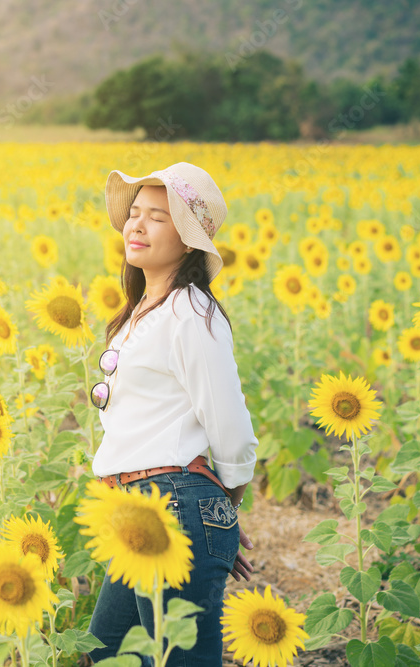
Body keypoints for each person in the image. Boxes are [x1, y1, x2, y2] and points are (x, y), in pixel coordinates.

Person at [85, 162, 259, 667]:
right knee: (107, 653)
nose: (136, 226)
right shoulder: (143, 311)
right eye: (134, 213)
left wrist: (219, 511)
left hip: (175, 501)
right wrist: (214, 521)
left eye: (157, 217)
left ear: (187, 241)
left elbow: (230, 425)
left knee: (178, 659)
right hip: (139, 507)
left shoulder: (191, 314)